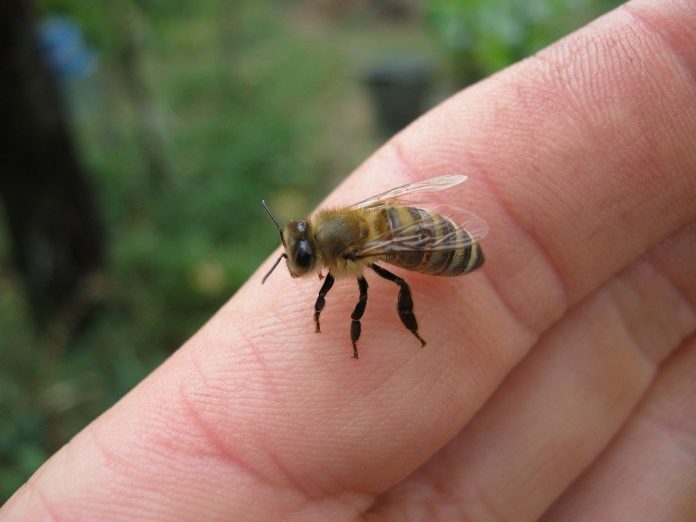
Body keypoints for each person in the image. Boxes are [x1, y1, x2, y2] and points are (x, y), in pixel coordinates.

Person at [3, 1, 696, 520]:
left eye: (300, 251)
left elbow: (361, 287)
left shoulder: (352, 248)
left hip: (425, 241)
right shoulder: (342, 222)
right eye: (296, 248)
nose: (297, 255)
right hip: (407, 222)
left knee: (376, 289)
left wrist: (357, 320)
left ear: (322, 243)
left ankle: (413, 330)